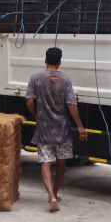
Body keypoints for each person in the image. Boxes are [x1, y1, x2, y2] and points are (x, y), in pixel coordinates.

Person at [26, 47, 88, 212]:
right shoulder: (66, 79)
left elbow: (29, 102)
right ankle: (55, 194)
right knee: (61, 163)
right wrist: (80, 126)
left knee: (45, 162)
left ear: (45, 60)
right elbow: (71, 105)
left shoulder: (35, 78)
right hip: (62, 127)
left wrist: (37, 115)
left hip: (43, 126)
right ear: (59, 62)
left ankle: (51, 196)